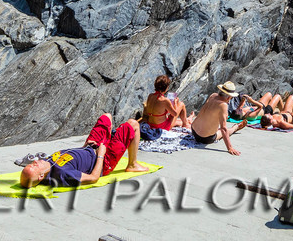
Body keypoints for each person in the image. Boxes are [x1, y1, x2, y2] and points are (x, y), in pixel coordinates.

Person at [17, 114, 148, 188]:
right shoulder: (63, 173)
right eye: (34, 166)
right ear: (41, 176)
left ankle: (107, 140)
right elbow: (93, 177)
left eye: (31, 164)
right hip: (105, 160)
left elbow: (72, 156)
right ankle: (132, 164)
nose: (35, 162)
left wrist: (86, 146)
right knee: (133, 124)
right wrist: (101, 155)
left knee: (106, 117)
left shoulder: (46, 163)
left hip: (90, 146)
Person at [189, 82, 243, 155]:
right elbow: (224, 129)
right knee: (223, 131)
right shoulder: (223, 105)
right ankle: (235, 127)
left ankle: (234, 127)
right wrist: (230, 148)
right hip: (205, 138)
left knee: (215, 122)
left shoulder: (213, 95)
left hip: (193, 130)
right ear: (229, 97)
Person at [141, 75, 186, 139]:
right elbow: (174, 114)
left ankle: (186, 121)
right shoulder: (164, 100)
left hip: (151, 124)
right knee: (181, 104)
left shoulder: (150, 96)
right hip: (161, 128)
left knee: (174, 120)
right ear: (166, 87)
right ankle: (186, 123)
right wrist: (175, 102)